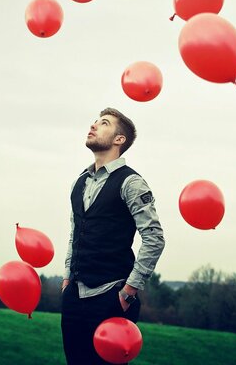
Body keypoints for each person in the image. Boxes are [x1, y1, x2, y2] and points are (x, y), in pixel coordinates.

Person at [61, 107, 166, 365]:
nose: (94, 125)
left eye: (104, 123)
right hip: (74, 298)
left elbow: (154, 238)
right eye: (95, 121)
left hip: (111, 297)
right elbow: (76, 232)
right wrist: (66, 280)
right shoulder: (80, 182)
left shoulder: (131, 183)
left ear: (119, 140)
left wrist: (128, 291)